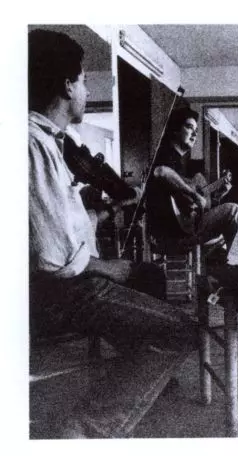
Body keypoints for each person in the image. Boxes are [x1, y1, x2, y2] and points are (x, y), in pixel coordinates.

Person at [28, 29, 198, 438]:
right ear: (67, 86)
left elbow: (60, 226)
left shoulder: (49, 142)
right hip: (55, 292)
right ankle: (86, 432)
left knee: (149, 276)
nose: (87, 90)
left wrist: (105, 211)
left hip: (58, 281)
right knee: (181, 330)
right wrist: (107, 267)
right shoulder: (33, 145)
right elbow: (54, 258)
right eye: (85, 80)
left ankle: (144, 370)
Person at [145, 107, 238, 257]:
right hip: (171, 235)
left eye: (196, 130)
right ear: (175, 130)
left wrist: (219, 195)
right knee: (233, 211)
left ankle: (235, 261)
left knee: (231, 219)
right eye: (189, 127)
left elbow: (199, 208)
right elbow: (161, 171)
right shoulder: (165, 154)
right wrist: (194, 194)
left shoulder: (182, 163)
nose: (195, 134)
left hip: (184, 227)